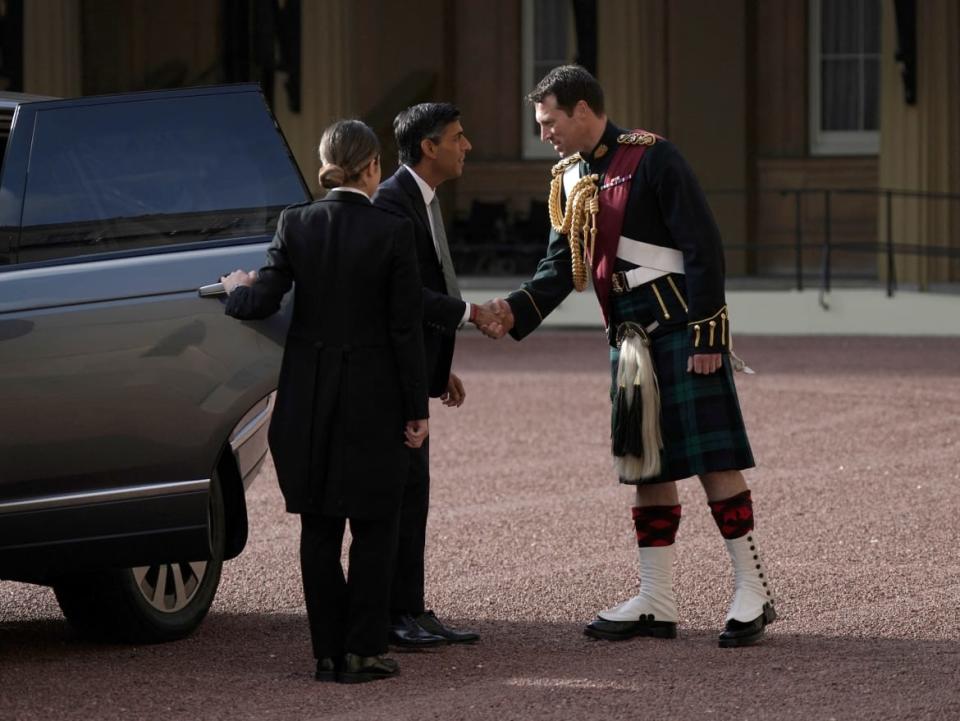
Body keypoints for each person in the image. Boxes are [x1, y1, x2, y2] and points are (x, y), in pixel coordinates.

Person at [486, 65, 777, 648]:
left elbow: (703, 246)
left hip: (676, 326)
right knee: (647, 466)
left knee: (713, 457)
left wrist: (707, 335)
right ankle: (656, 599)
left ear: (583, 110)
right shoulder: (568, 177)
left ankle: (753, 587)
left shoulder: (653, 158)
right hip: (627, 337)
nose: (545, 135)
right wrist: (514, 310)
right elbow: (558, 267)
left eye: (549, 123)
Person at [220, 119, 429, 682]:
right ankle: (362, 650)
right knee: (375, 527)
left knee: (319, 529)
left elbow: (261, 298)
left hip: (309, 399)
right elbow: (405, 331)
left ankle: (327, 653)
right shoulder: (393, 230)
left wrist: (237, 289)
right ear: (372, 169)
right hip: (375, 398)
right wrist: (418, 409)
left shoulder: (296, 223)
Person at [373, 102, 494, 647]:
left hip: (413, 371)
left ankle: (411, 609)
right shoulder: (394, 204)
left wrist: (439, 369)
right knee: (396, 495)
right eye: (458, 137)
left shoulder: (421, 198)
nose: (466, 146)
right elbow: (403, 297)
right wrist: (470, 315)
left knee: (413, 493)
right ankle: (390, 615)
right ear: (428, 147)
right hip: (386, 380)